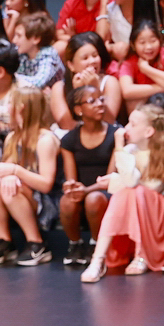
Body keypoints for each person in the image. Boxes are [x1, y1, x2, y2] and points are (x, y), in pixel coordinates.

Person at [0, 86, 61, 267]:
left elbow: (46, 184)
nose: (7, 107)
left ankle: (37, 243)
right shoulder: (12, 137)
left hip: (45, 200)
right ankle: (4, 240)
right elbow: (3, 170)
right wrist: (9, 175)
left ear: (22, 107)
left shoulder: (45, 140)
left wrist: (16, 172)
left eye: (10, 103)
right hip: (23, 194)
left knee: (10, 188)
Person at [57, 82, 115, 267]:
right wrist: (71, 186)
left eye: (101, 99)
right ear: (79, 109)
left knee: (94, 199)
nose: (99, 104)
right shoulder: (69, 140)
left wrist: (87, 190)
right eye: (92, 101)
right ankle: (75, 245)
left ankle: (97, 246)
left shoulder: (116, 134)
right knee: (67, 201)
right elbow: (71, 177)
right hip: (83, 191)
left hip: (106, 191)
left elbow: (111, 178)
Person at [116, 21, 164, 107]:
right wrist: (163, 88)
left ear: (159, 40)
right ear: (133, 45)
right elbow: (127, 91)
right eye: (142, 43)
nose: (149, 47)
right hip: (145, 106)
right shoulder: (129, 62)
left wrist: (146, 69)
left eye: (153, 41)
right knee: (133, 102)